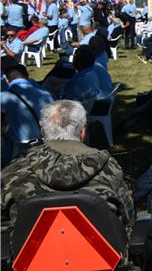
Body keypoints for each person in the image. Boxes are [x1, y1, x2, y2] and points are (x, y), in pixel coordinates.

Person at [1, 100, 133, 236]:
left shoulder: (13, 171)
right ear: (83, 132)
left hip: (30, 254)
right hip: (99, 254)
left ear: (42, 131)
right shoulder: (109, 167)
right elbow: (127, 216)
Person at [1, 64, 54, 166]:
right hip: (43, 143)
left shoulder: (3, 97)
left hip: (16, 145)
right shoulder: (45, 94)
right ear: (27, 76)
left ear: (7, 81)